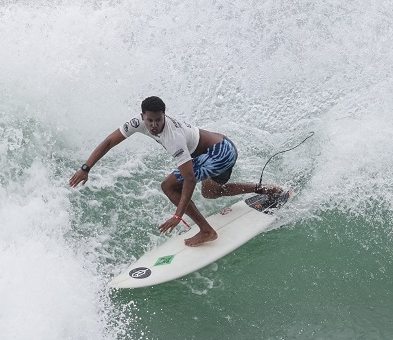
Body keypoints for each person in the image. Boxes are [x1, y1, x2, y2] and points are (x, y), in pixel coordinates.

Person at [68, 96, 281, 247]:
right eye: (149, 120)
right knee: (212, 192)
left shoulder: (173, 138)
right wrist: (86, 168)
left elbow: (188, 180)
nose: (153, 125)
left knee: (169, 186)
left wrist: (178, 215)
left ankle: (207, 231)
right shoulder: (136, 122)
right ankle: (266, 190)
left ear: (164, 115)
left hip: (220, 153)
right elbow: (109, 141)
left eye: (158, 120)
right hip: (218, 145)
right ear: (142, 116)